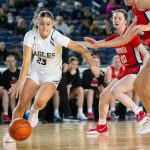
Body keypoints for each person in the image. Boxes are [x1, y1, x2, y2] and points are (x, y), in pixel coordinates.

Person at [3, 10, 101, 143]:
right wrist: (20, 81)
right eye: (42, 24)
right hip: (35, 72)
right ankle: (12, 132)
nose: (45, 27)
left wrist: (93, 66)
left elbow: (82, 49)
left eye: (48, 24)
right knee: (21, 104)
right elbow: (26, 61)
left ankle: (34, 111)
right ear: (37, 23)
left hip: (52, 75)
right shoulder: (30, 35)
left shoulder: (57, 37)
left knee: (39, 102)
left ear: (52, 24)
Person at [84, 0, 150, 133]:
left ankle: (140, 113)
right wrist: (96, 43)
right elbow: (112, 41)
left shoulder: (134, 32)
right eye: (114, 18)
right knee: (104, 96)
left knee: (117, 91)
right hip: (125, 71)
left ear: (126, 21)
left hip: (136, 69)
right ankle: (102, 125)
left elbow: (145, 53)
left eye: (119, 18)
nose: (116, 20)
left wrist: (144, 69)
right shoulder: (118, 35)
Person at [82, 55, 105, 120]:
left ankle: (106, 111)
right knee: (91, 91)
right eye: (95, 62)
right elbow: (86, 85)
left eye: (98, 62)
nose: (97, 63)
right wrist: (96, 90)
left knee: (103, 89)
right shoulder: (86, 72)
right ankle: (89, 112)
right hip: (86, 91)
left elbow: (101, 84)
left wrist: (98, 90)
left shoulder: (102, 73)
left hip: (97, 91)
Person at [105, 55, 123, 120]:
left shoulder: (123, 69)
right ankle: (112, 110)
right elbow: (108, 82)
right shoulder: (109, 69)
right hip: (108, 88)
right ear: (113, 63)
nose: (118, 64)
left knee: (130, 91)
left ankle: (130, 110)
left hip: (119, 88)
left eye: (119, 62)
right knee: (113, 90)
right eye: (116, 62)